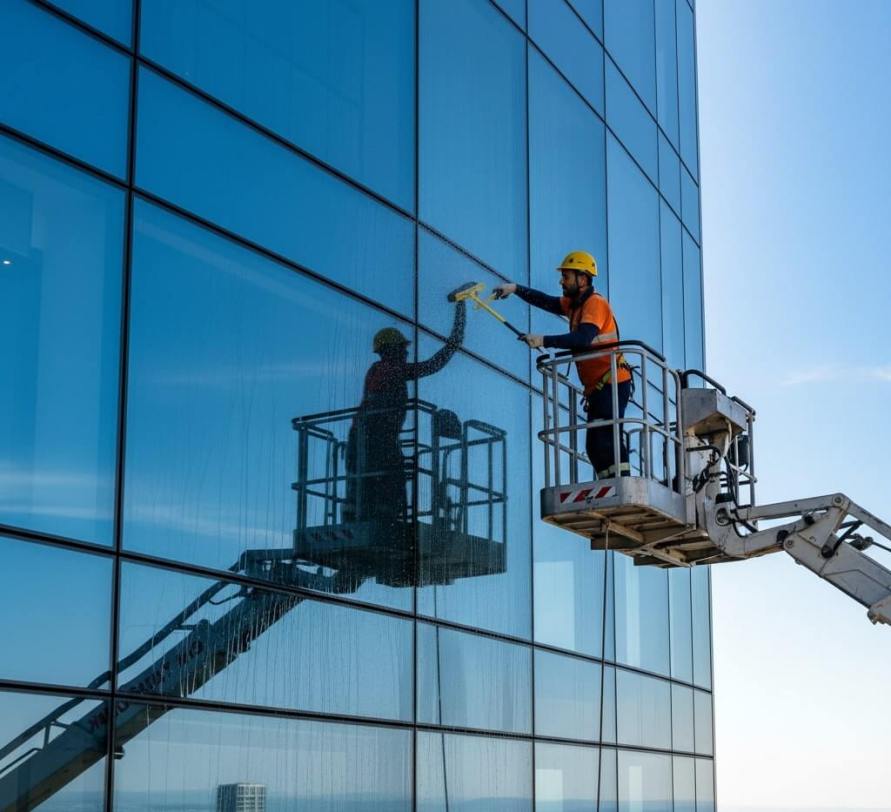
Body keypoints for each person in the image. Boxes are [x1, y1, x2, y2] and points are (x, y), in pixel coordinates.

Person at [493, 250, 632, 478]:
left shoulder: (595, 304)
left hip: (612, 383)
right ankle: (610, 485)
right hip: (600, 387)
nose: (561, 281)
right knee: (595, 446)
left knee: (606, 439)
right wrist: (515, 289)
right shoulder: (576, 305)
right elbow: (546, 301)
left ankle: (622, 485)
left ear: (583, 279)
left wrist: (544, 340)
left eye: (566, 276)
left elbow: (582, 338)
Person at [344, 301, 466, 525]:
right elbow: (432, 365)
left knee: (377, 486)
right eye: (402, 348)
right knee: (385, 484)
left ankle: (378, 518)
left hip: (370, 440)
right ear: (390, 351)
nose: (406, 352)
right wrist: (455, 338)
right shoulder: (387, 369)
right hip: (372, 441)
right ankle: (385, 520)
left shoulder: (381, 371)